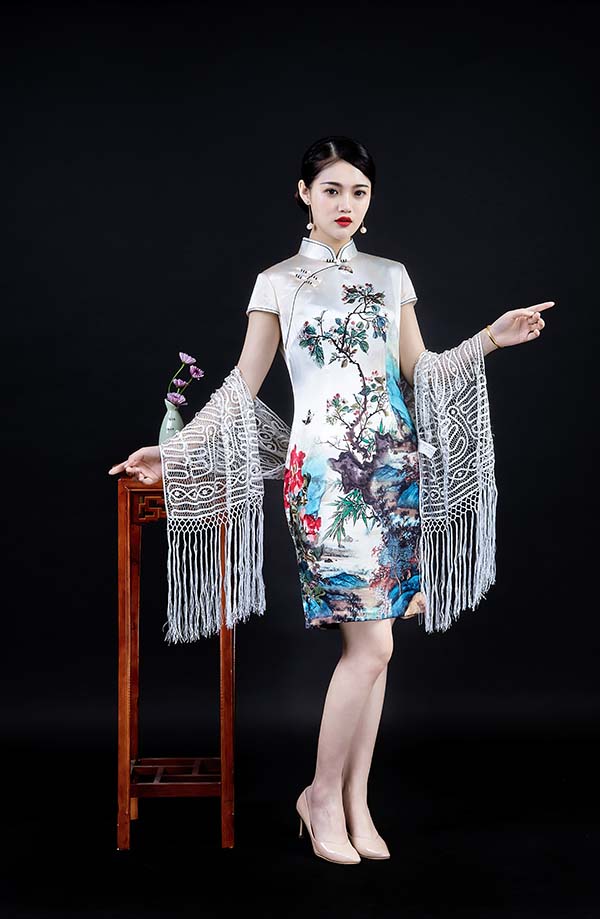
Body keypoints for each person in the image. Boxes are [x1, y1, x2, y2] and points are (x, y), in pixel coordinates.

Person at [108, 135, 552, 865]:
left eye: (359, 192)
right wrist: (176, 452)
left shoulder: (391, 275)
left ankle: (354, 801)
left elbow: (424, 372)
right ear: (304, 194)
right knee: (373, 644)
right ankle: (318, 796)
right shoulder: (277, 283)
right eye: (332, 189)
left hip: (395, 476)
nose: (346, 204)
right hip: (323, 479)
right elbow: (240, 389)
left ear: (370, 202)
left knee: (373, 649)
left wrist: (491, 341)